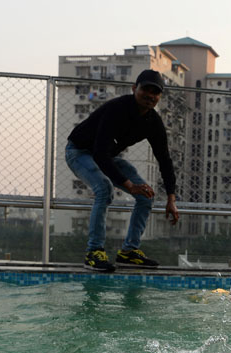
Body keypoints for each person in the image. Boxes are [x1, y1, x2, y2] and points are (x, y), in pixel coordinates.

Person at [65, 69, 180, 272]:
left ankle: (128, 252)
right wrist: (128, 185)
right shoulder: (116, 109)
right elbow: (99, 153)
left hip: (108, 157)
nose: (150, 96)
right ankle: (93, 252)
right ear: (134, 88)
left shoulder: (153, 122)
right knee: (103, 188)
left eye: (156, 92)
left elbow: (164, 160)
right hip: (79, 152)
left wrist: (171, 198)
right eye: (146, 89)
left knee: (146, 196)